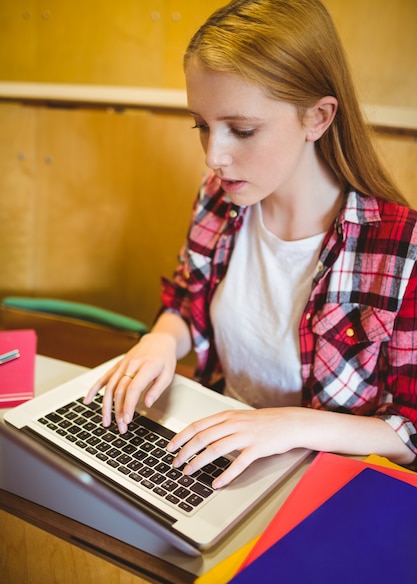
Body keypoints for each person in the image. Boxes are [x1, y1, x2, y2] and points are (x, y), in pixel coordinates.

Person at [85, 0, 417, 488]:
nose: (215, 156)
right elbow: (188, 300)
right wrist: (160, 340)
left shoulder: (399, 246)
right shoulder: (220, 199)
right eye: (202, 125)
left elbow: (409, 429)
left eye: (241, 130)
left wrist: (289, 423)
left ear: (318, 118)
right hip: (212, 453)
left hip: (319, 487)